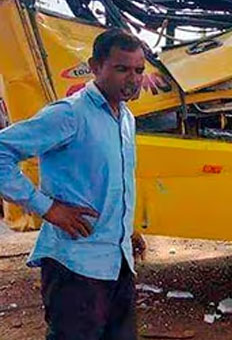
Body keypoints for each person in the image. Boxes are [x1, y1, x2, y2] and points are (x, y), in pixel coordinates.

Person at [0, 28, 147, 339]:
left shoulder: (125, 118)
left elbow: (111, 182)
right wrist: (46, 207)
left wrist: (125, 229)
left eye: (139, 70)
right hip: (75, 268)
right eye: (122, 69)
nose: (133, 79)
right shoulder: (70, 114)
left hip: (117, 262)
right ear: (95, 67)